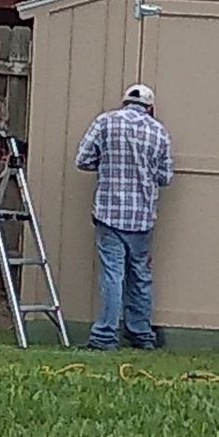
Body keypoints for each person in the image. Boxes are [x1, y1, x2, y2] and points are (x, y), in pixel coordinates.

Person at [75, 84, 173, 350]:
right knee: (140, 275)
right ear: (150, 107)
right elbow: (166, 177)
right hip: (142, 218)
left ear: (124, 101)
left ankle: (105, 336)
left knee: (112, 275)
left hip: (109, 213)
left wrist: (105, 164)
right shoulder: (159, 132)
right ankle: (141, 333)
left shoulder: (105, 122)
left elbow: (82, 160)